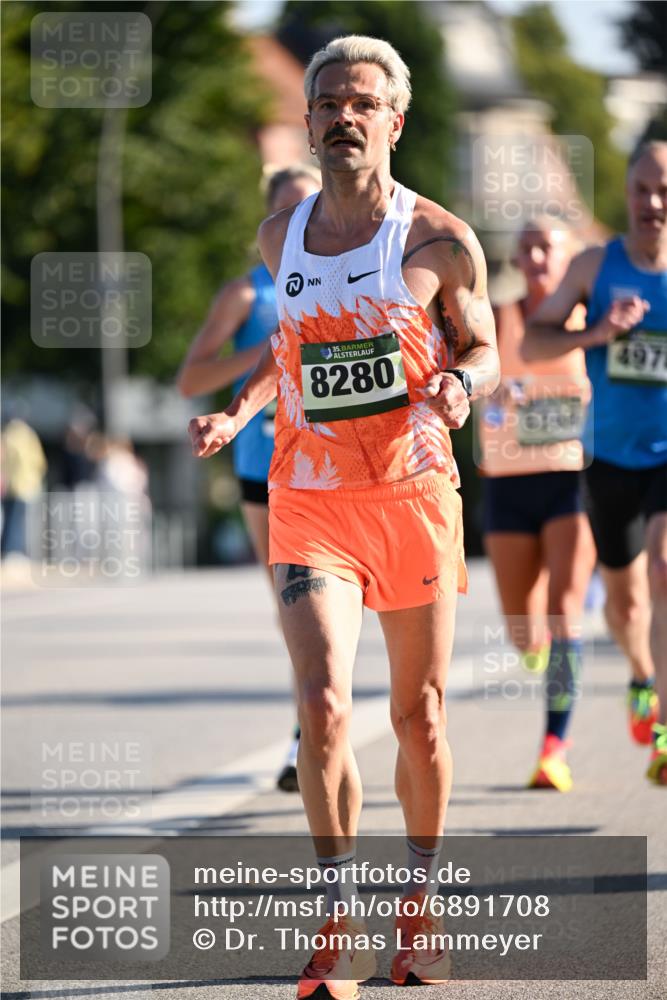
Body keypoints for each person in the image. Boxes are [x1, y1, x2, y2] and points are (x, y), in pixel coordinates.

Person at [189, 35, 499, 997]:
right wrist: (238, 409)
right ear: (311, 120)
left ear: (394, 120)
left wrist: (460, 384)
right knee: (321, 706)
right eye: (327, 104)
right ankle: (337, 922)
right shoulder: (278, 236)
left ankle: (420, 904)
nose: (342, 117)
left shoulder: (436, 240)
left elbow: (485, 349)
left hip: (408, 493)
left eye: (362, 103)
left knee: (419, 716)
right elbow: (289, 348)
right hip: (309, 496)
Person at [524, 140, 667, 786]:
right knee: (624, 605)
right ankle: (641, 676)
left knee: (662, 574)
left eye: (662, 191)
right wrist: (594, 333)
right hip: (609, 457)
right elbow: (532, 338)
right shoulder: (592, 265)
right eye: (641, 189)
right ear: (626, 193)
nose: (652, 203)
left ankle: (662, 726)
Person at [178, 166, 321, 792]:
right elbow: (191, 380)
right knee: (294, 609)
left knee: (323, 606)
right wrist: (270, 349)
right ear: (267, 220)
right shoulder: (246, 292)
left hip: (326, 463)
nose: (297, 223)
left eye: (307, 208)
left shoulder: (338, 278)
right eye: (285, 212)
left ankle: (311, 731)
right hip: (262, 470)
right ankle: (305, 737)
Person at [479, 217, 597, 792]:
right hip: (507, 482)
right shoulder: (500, 317)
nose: (533, 256)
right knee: (524, 629)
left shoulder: (588, 320)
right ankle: (538, 648)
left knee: (563, 610)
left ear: (569, 256)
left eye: (544, 245)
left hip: (571, 478)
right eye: (524, 247)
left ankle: (554, 748)